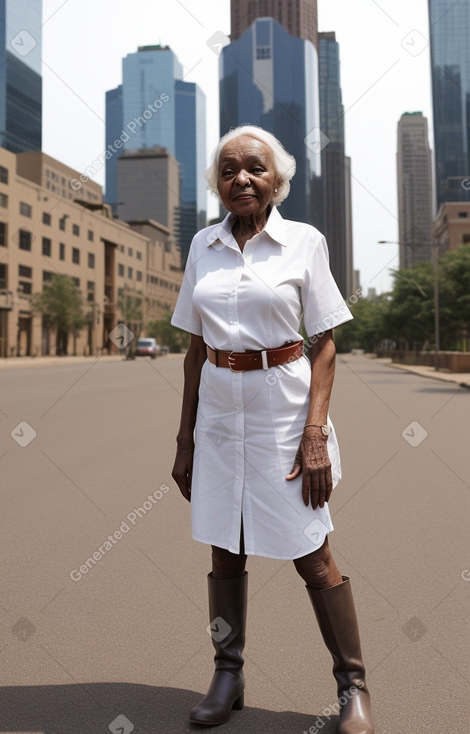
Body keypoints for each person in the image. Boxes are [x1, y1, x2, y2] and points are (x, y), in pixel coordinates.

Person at [171, 124, 374, 733]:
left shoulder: (303, 243)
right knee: (224, 548)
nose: (242, 178)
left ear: (277, 180)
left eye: (255, 169)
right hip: (219, 411)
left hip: (283, 414)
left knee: (311, 551)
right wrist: (186, 438)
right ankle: (227, 675)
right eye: (229, 169)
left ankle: (353, 685)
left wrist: (315, 432)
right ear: (218, 183)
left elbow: (326, 345)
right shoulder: (202, 246)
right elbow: (194, 347)